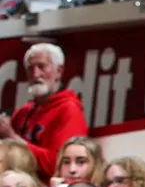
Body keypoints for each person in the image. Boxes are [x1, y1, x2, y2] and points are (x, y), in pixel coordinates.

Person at [2, 41, 88, 174]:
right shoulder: (22, 112)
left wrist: (11, 137)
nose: (35, 74)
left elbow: (60, 164)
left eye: (42, 67)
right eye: (30, 68)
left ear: (59, 71)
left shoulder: (69, 110)